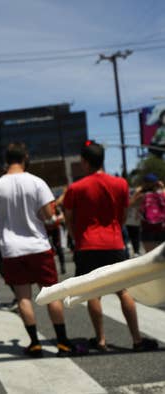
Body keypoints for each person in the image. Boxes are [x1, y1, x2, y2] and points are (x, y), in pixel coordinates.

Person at [0, 142, 80, 358]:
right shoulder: (37, 183)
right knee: (52, 293)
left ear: (7, 160)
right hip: (38, 246)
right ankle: (63, 343)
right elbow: (48, 216)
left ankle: (35, 343)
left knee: (23, 297)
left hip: (11, 249)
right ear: (25, 158)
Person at [63, 141, 158, 353]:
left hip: (87, 244)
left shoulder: (76, 188)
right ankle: (136, 339)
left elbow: (69, 219)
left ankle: (101, 340)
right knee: (123, 291)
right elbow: (123, 215)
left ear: (84, 162)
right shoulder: (120, 184)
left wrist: (75, 236)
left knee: (93, 293)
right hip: (114, 242)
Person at [130, 173, 165, 253]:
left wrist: (137, 191)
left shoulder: (142, 195)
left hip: (147, 229)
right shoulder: (162, 194)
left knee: (150, 258)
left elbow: (130, 204)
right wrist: (162, 188)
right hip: (162, 228)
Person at [44, 200, 66, 274]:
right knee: (49, 248)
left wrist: (56, 219)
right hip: (45, 229)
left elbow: (61, 214)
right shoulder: (41, 204)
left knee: (58, 246)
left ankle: (62, 265)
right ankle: (50, 267)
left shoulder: (54, 204)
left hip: (54, 228)